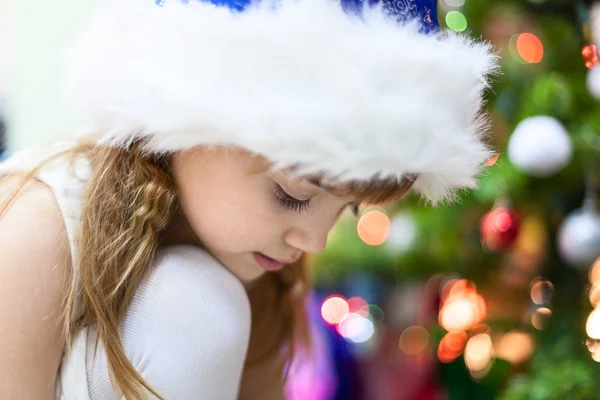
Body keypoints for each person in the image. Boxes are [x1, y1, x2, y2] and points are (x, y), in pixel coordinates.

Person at [0, 0, 498, 398]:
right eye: (293, 195)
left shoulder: (256, 270)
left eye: (345, 209)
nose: (315, 242)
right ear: (190, 113)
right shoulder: (35, 233)